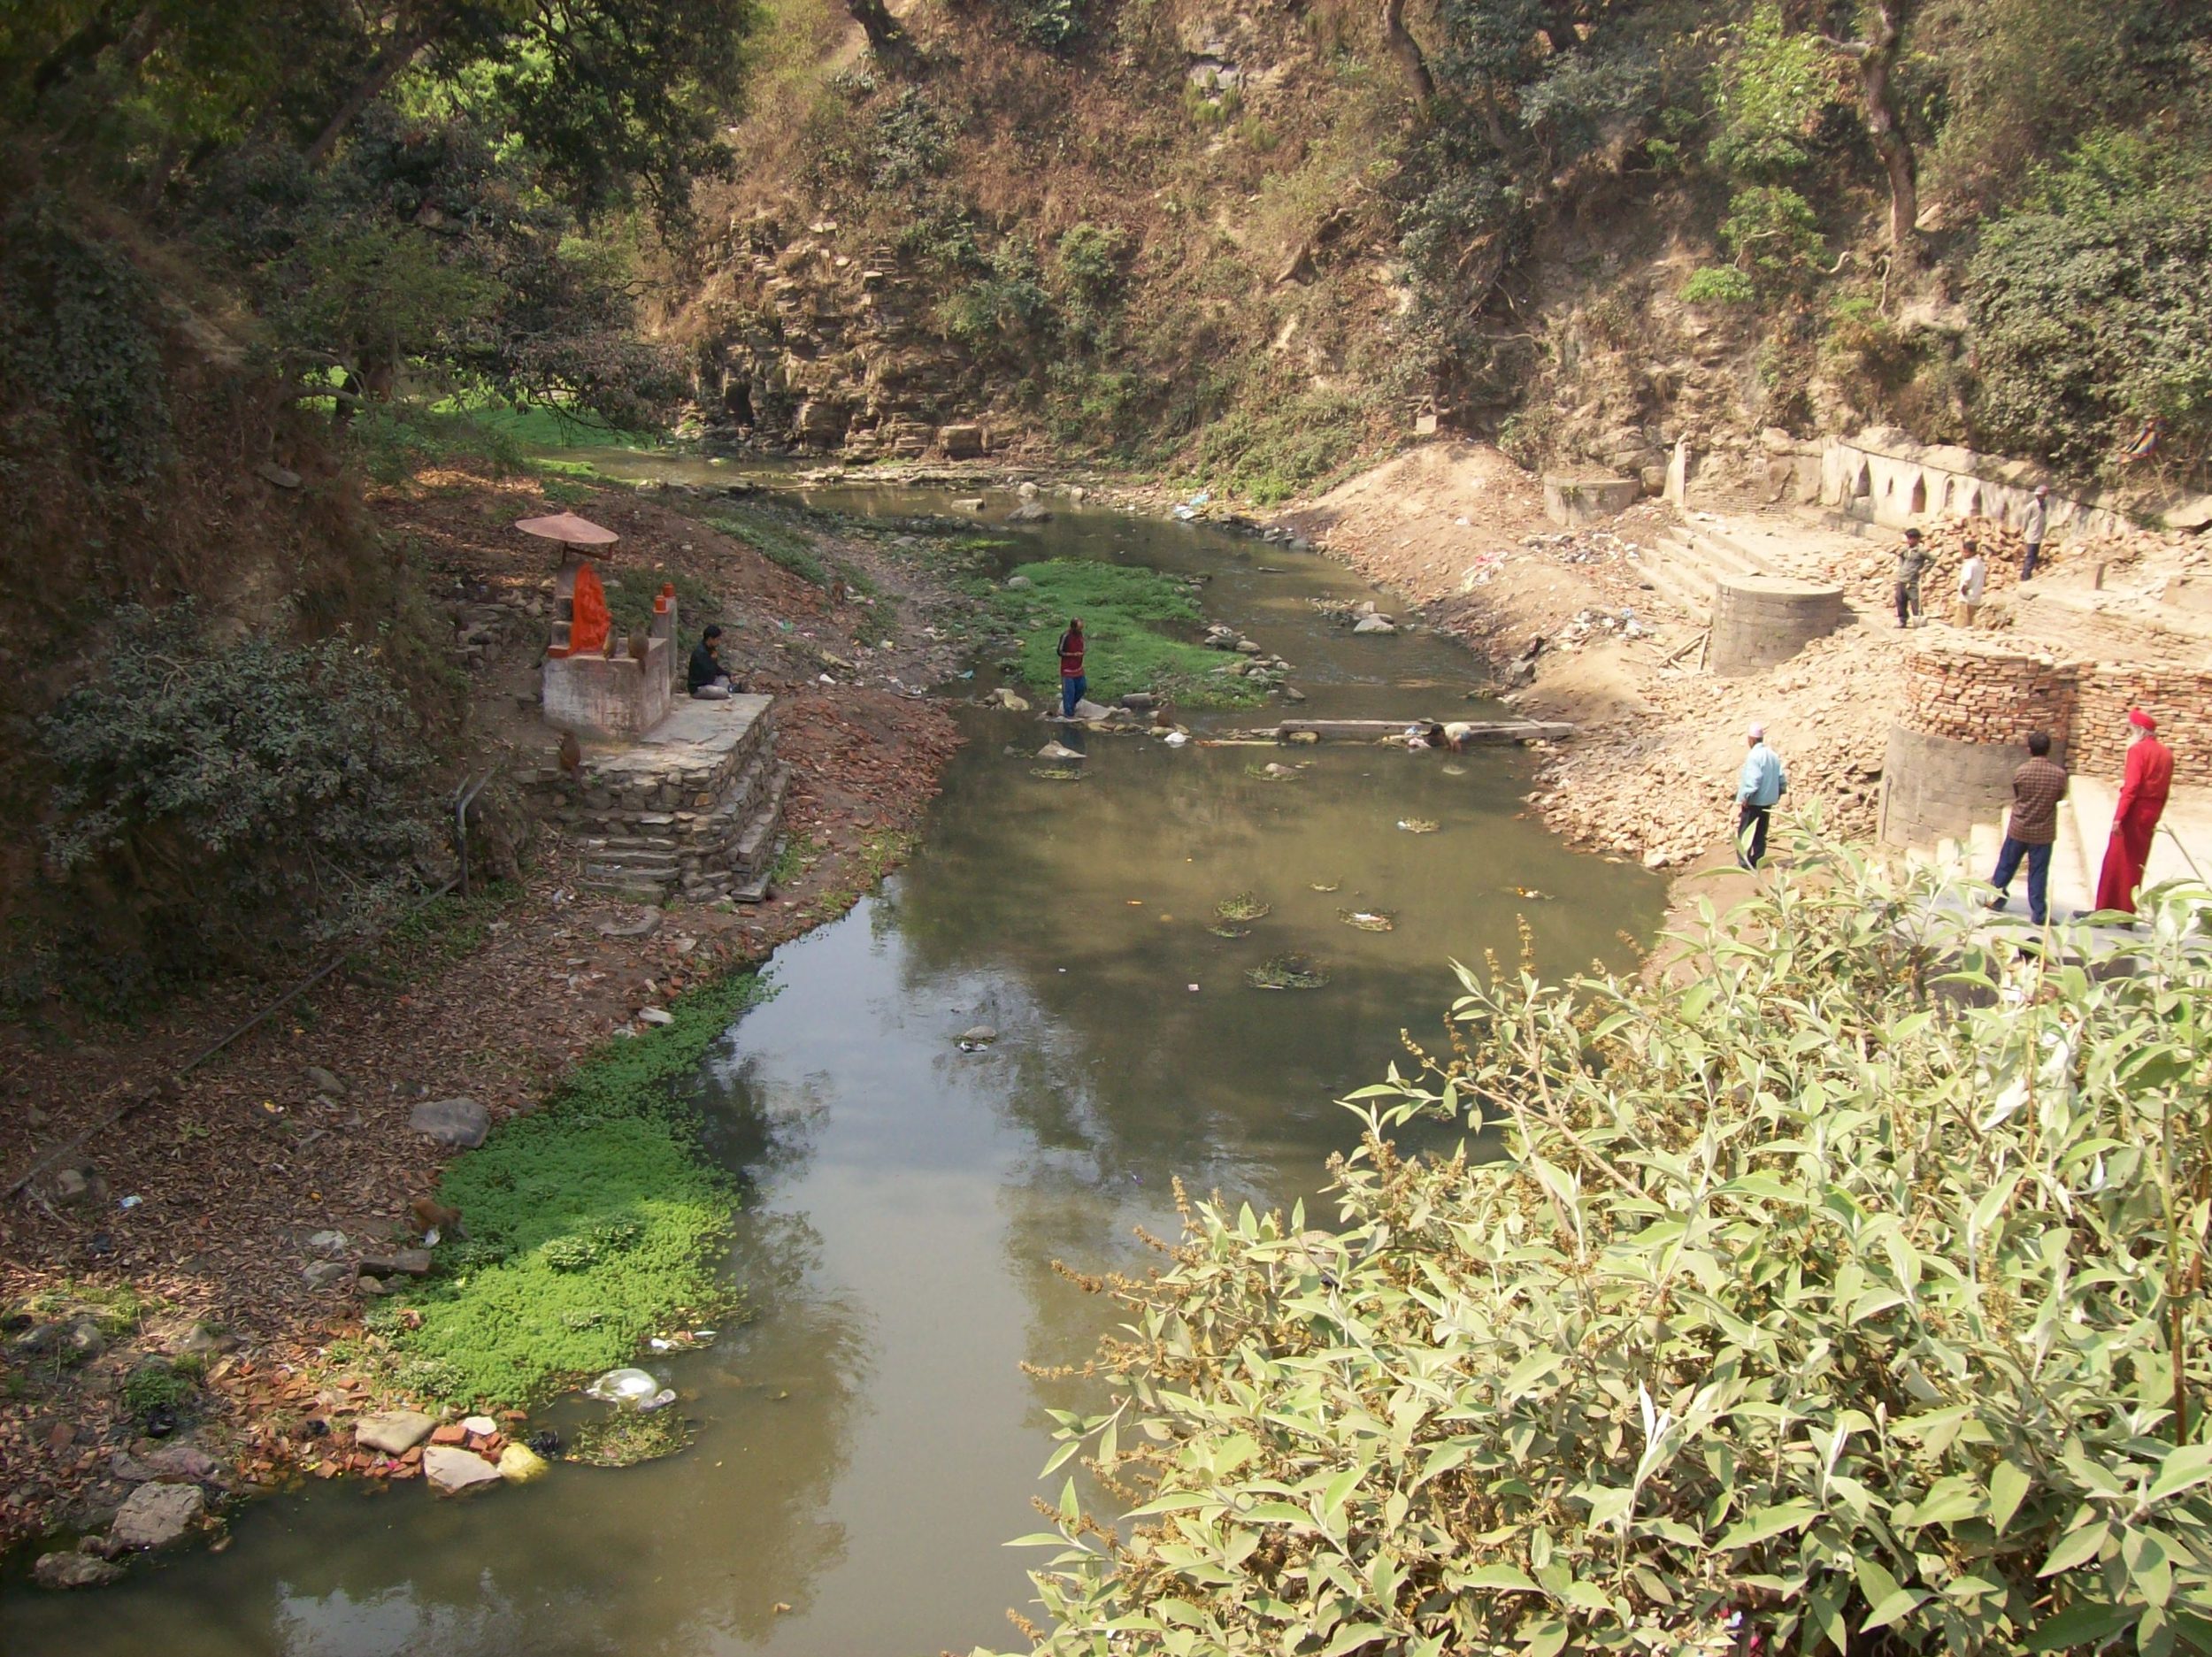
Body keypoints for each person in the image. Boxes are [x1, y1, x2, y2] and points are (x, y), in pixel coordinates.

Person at [2093, 708, 2175, 914]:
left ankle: (2107, 907)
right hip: (2152, 809)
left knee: (2116, 860)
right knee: (2137, 861)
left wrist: (2119, 816)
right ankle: (2128, 910)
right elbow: (2166, 789)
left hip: (2135, 809)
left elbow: (2132, 786)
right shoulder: (2166, 754)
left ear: (2139, 730)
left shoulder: (2138, 750)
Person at [1988, 731, 2068, 924]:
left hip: (2019, 827)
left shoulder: (2022, 771)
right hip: (2043, 832)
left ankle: (1995, 899)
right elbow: (2059, 797)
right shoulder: (2059, 775)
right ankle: (2039, 913)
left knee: (2007, 864)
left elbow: (2018, 793)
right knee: (2038, 873)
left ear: (2029, 749)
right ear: (2048, 750)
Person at [1735, 722, 1786, 870]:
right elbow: (1781, 778)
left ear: (1751, 740)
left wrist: (1746, 796)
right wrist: (1780, 791)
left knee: (1745, 831)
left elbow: (1754, 780)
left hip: (1754, 801)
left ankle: (1744, 862)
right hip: (1768, 800)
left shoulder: (1753, 756)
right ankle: (1758, 859)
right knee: (1761, 831)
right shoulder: (1773, 755)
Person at [688, 623, 734, 700]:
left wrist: (727, 674)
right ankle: (726, 691)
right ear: (710, 639)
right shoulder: (700, 653)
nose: (718, 642)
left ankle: (727, 689)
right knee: (722, 692)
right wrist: (713, 660)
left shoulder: (710, 649)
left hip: (710, 683)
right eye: (717, 639)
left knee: (723, 678)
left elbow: (716, 669)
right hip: (699, 687)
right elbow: (708, 673)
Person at [1893, 528, 1928, 628]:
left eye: (1911, 539)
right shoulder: (1906, 550)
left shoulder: (1921, 551)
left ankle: (1919, 622)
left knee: (1915, 601)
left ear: (1917, 539)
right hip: (1902, 578)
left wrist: (1923, 570)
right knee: (1900, 599)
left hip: (1912, 580)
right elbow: (1901, 557)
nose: (1909, 541)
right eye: (1908, 538)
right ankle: (1902, 620)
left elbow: (1932, 559)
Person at [1056, 618, 1087, 717]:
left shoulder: (1080, 635)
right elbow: (1059, 652)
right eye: (1079, 628)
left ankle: (1071, 705)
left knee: (1082, 688)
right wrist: (1073, 654)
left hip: (1078, 668)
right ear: (1073, 627)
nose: (1080, 630)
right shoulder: (1066, 636)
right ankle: (1068, 714)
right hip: (1067, 670)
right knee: (1069, 692)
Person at [2020, 485, 2049, 582]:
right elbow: (2025, 519)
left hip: (2039, 534)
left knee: (2035, 555)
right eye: (2037, 495)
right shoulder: (2032, 506)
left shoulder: (2045, 504)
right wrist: (2023, 531)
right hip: (2032, 534)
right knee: (2030, 556)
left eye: (2040, 495)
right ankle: (2025, 576)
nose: (2038, 497)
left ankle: (2028, 573)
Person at [1955, 541, 1986, 626]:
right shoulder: (1980, 563)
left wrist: (1964, 588)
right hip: (1975, 596)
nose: (1964, 554)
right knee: (1970, 620)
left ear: (1972, 552)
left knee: (1961, 621)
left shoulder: (1970, 564)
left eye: (1966, 552)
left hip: (1966, 597)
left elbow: (1967, 578)